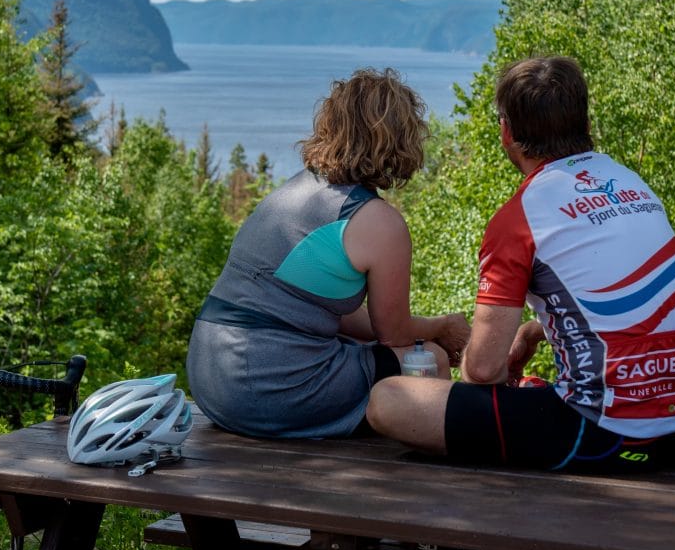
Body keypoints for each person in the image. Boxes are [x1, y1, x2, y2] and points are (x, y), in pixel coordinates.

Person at [366, 56, 675, 471]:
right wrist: (534, 330)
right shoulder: (631, 185)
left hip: (602, 434)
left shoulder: (520, 217)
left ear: (506, 132)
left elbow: (481, 371)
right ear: (583, 121)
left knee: (388, 399)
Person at [186, 68, 471, 439]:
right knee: (426, 358)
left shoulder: (291, 196)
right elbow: (395, 334)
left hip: (213, 379)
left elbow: (337, 317)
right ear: (400, 138)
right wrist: (443, 328)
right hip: (269, 387)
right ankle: (416, 477)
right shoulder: (378, 221)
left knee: (365, 348)